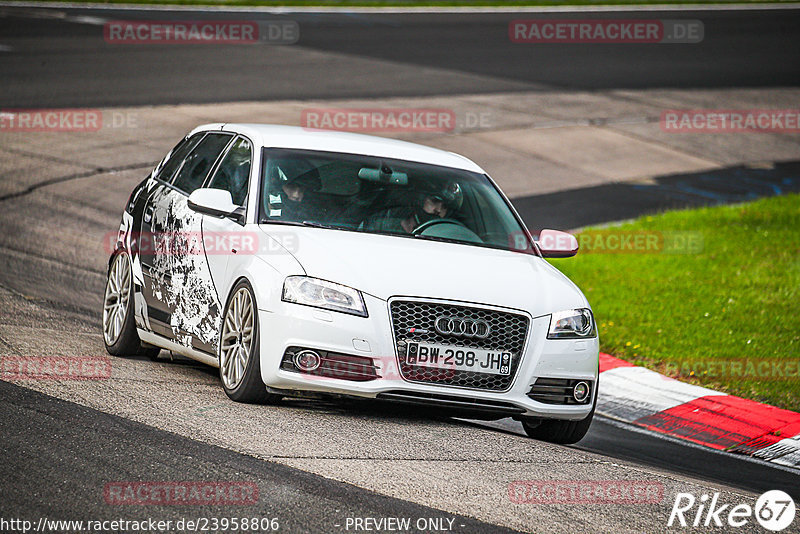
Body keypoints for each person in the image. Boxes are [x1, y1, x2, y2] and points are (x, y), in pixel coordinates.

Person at [363, 181, 462, 234]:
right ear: (420, 200)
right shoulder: (381, 226)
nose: (439, 210)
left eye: (445, 206)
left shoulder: (449, 236)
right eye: (434, 201)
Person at [264, 157, 323, 222]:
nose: (297, 194)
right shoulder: (265, 198)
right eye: (292, 187)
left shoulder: (314, 210)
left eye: (303, 188)